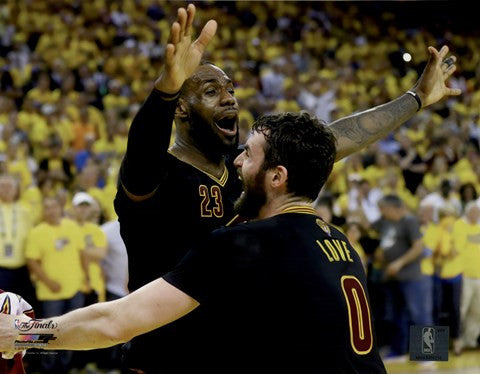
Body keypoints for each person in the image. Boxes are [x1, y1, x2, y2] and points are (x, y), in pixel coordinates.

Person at [114, 4, 461, 372]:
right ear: (181, 109)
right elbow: (140, 152)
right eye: (212, 91)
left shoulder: (248, 169)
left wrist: (416, 98)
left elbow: (339, 136)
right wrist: (165, 92)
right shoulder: (156, 173)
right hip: (166, 361)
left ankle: (433, 359)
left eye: (231, 89)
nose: (230, 98)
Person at [0, 112, 387, 373]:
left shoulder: (245, 244)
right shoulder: (342, 244)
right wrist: (414, 98)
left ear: (277, 177)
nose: (237, 162)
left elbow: (115, 323)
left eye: (249, 156)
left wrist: (22, 334)